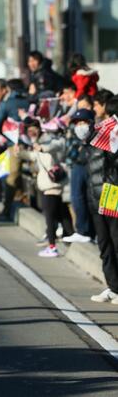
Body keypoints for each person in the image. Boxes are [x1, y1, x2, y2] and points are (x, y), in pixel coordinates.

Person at [17, 118, 73, 257]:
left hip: (52, 184)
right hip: (47, 184)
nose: (30, 133)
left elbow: (57, 146)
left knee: (50, 216)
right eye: (28, 131)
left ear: (39, 128)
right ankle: (70, 237)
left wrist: (43, 147)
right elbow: (34, 156)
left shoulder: (49, 139)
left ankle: (52, 246)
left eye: (32, 130)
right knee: (61, 214)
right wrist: (20, 153)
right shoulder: (38, 142)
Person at [84, 96, 118, 303]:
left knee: (116, 240)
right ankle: (113, 286)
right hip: (95, 193)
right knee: (104, 242)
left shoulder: (114, 134)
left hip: (111, 192)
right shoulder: (98, 131)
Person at [63, 109, 95, 243]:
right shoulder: (75, 140)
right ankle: (83, 230)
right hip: (78, 166)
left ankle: (87, 231)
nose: (80, 126)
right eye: (77, 123)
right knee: (77, 197)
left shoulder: (95, 141)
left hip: (87, 169)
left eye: (83, 122)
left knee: (86, 198)